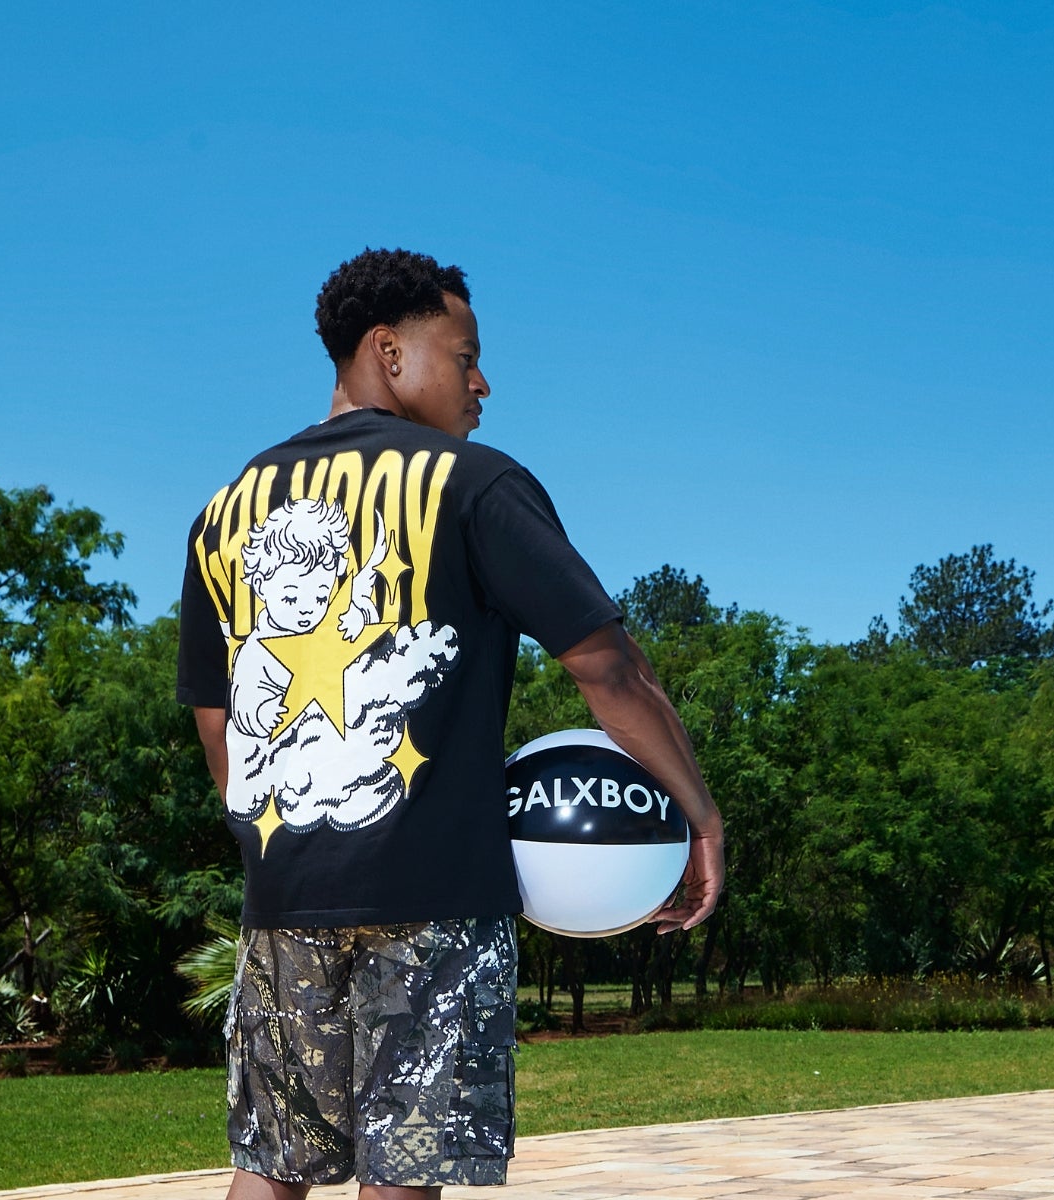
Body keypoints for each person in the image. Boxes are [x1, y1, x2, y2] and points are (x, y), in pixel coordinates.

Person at [176, 248, 727, 1200]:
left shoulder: (227, 509)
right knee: (404, 1176)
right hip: (433, 899)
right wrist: (699, 814)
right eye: (465, 356)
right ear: (388, 352)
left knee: (269, 1170)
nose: (482, 384)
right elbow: (607, 667)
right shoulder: (475, 484)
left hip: (285, 896)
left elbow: (216, 716)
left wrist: (282, 841)